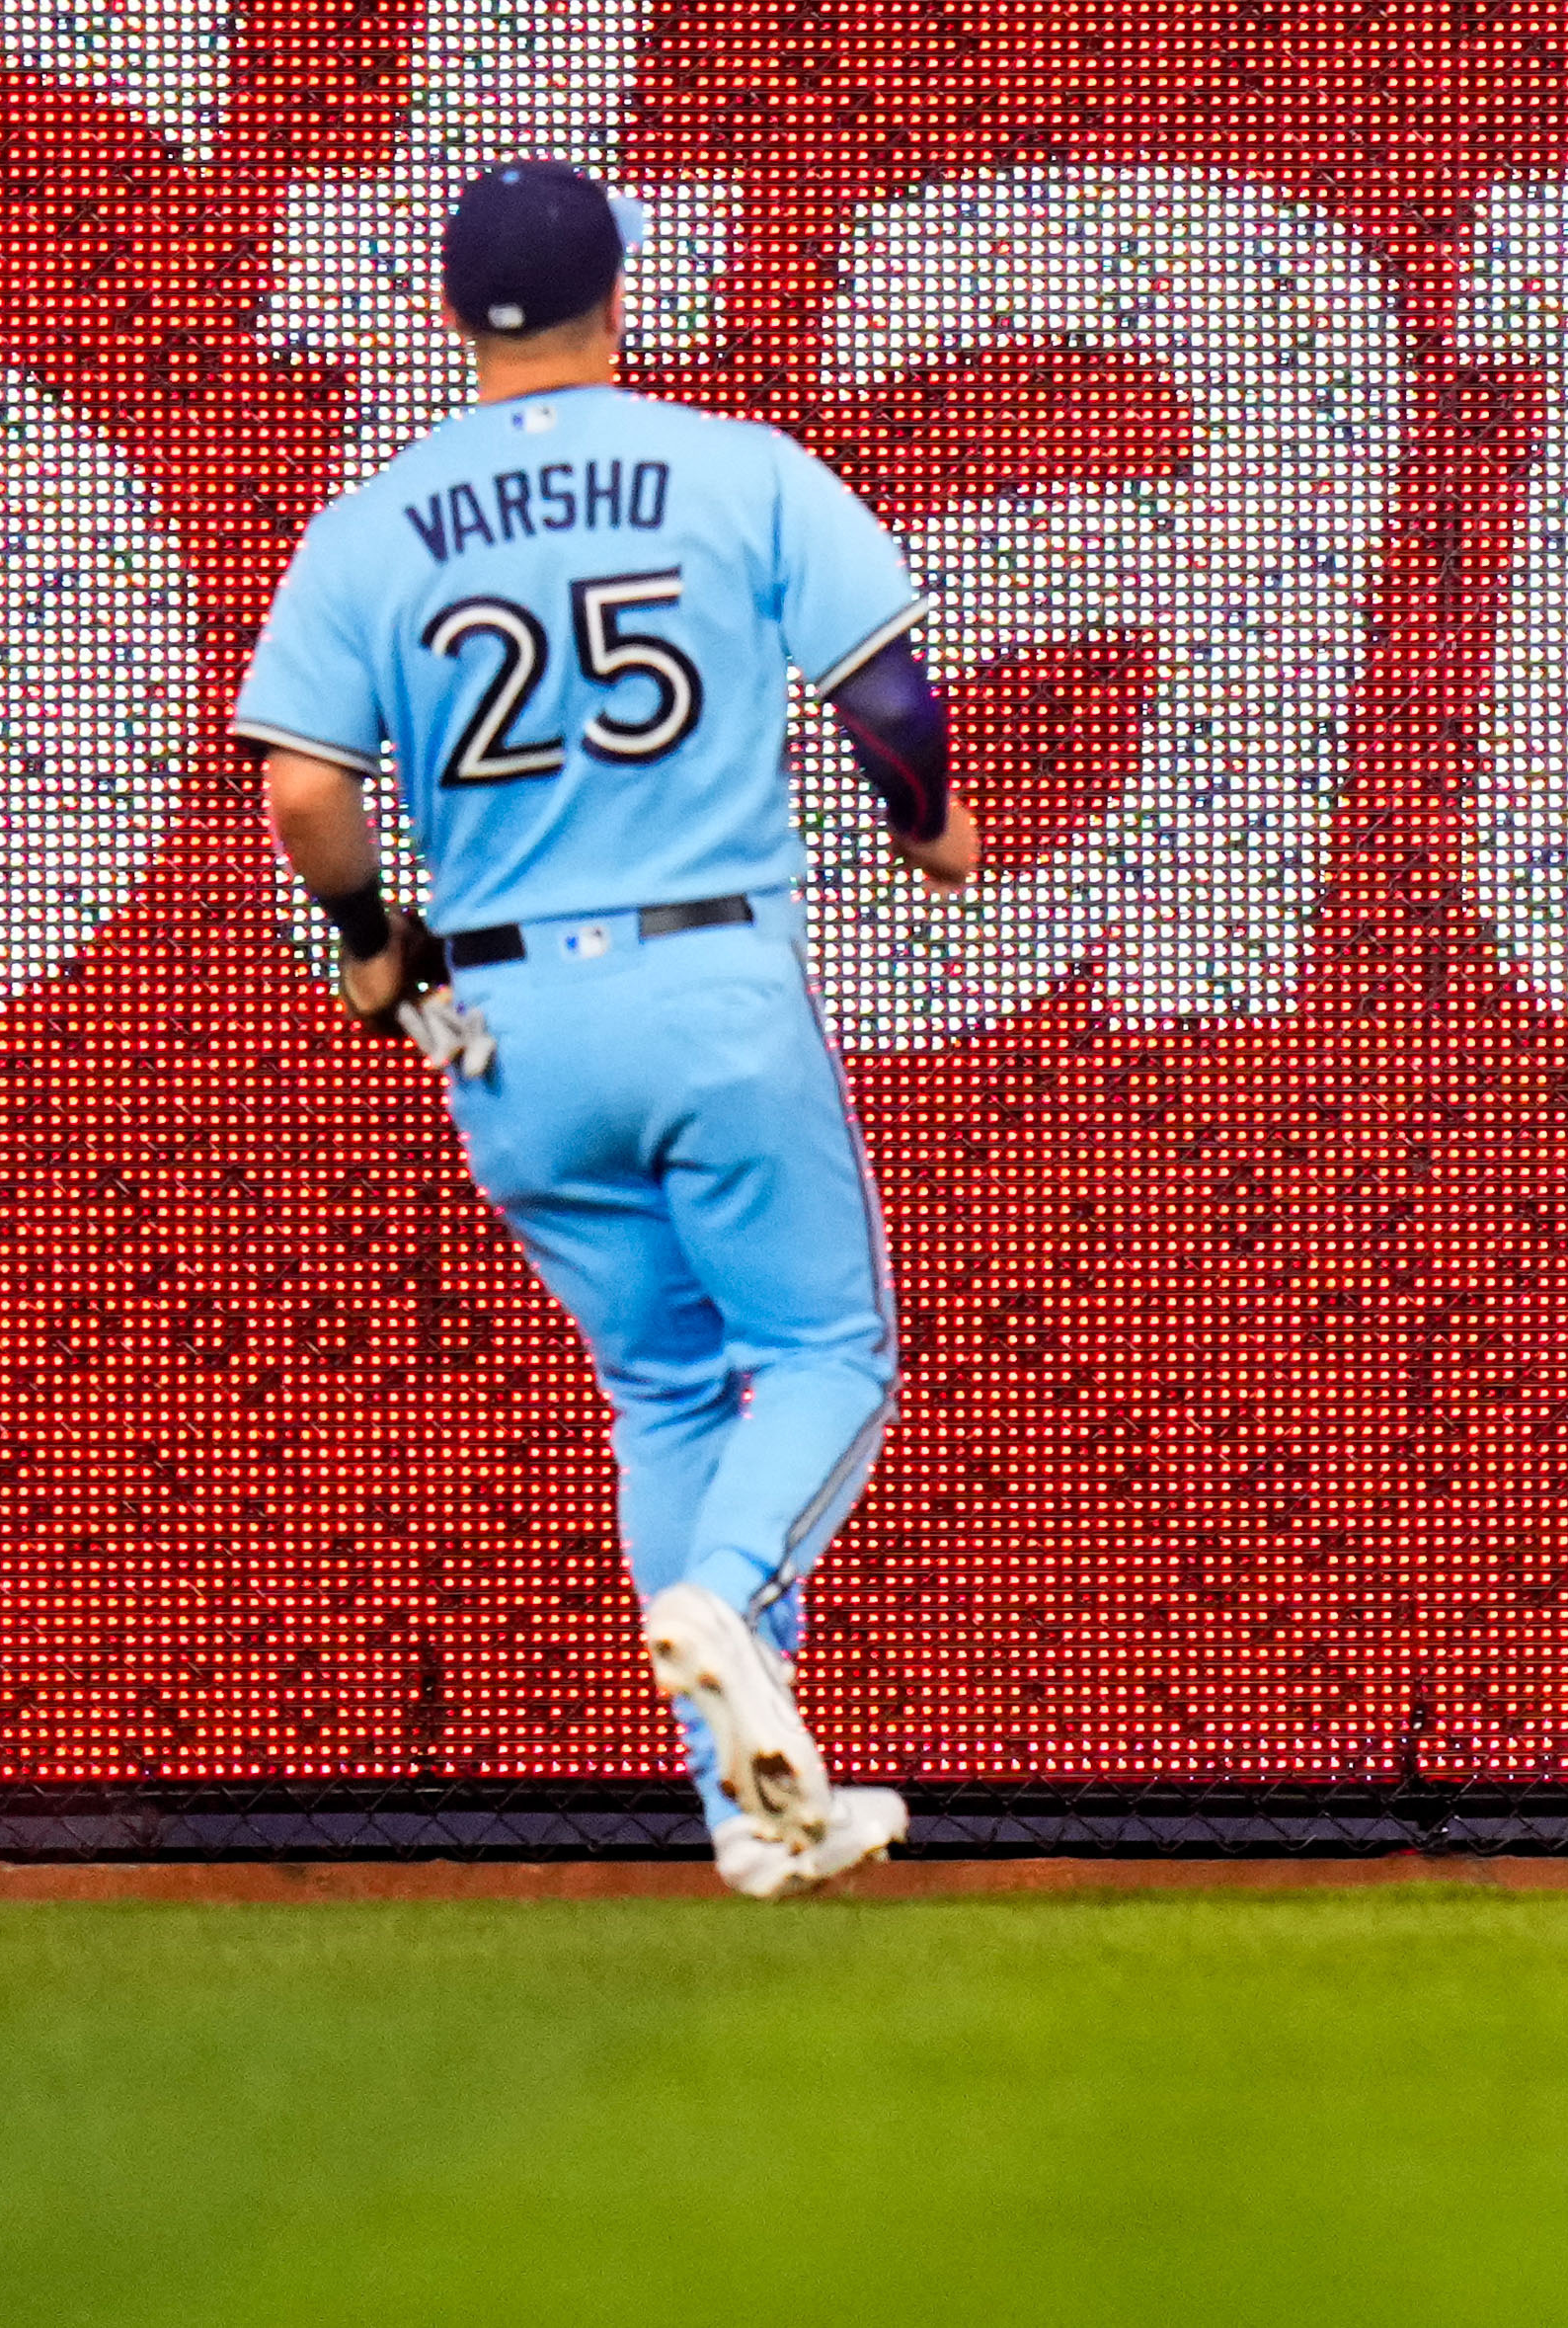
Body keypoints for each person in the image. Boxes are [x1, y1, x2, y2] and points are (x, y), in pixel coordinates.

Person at [230, 160, 981, 1894]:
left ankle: (752, 1818)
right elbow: (881, 686)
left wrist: (370, 942)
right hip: (705, 973)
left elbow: (300, 792)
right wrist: (928, 822)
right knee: (825, 1355)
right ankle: (728, 1595)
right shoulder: (731, 466)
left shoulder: (371, 523)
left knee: (659, 1387)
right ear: (620, 289)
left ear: (447, 314)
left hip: (504, 1016)